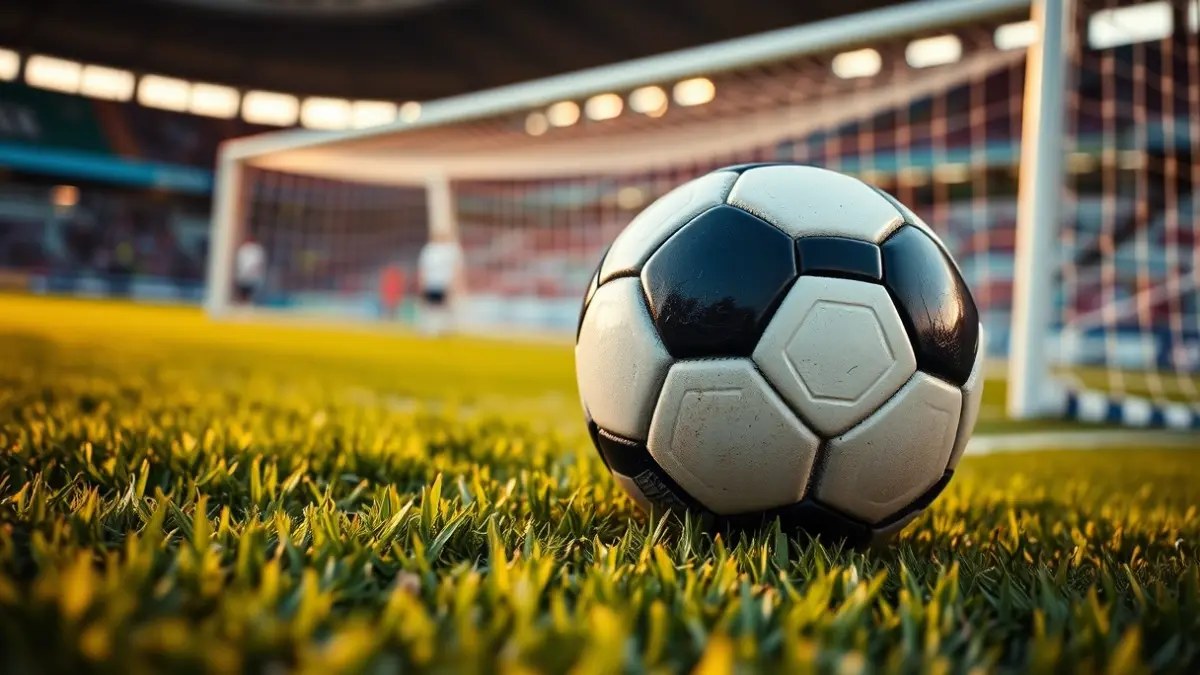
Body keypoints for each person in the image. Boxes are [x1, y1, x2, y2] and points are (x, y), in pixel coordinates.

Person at [416, 233, 464, 336]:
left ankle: (445, 330)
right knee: (429, 307)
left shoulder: (450, 250)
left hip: (444, 283)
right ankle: (428, 329)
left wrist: (454, 283)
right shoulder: (428, 250)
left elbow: (455, 269)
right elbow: (423, 269)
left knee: (445, 308)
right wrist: (422, 283)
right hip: (431, 283)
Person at [235, 235, 266, 305]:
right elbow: (240, 262)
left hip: (253, 275)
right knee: (243, 290)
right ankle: (243, 302)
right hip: (243, 275)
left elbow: (259, 262)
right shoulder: (243, 249)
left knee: (251, 291)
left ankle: (249, 302)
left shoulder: (257, 250)